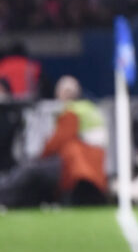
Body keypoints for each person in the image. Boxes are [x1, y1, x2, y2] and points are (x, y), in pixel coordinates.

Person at [0, 75, 108, 208]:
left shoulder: (71, 111)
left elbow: (58, 142)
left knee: (30, 169)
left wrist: (40, 155)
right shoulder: (89, 108)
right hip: (95, 168)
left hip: (74, 166)